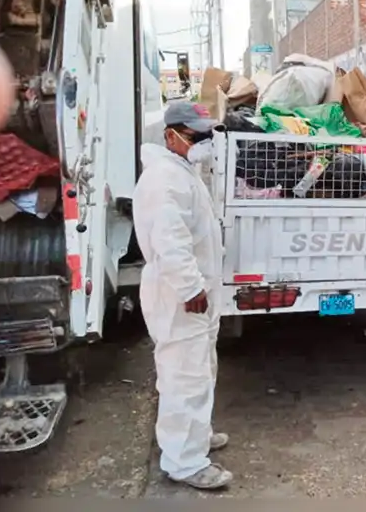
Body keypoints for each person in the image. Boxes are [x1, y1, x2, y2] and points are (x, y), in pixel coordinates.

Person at [132, 102, 231, 490]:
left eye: (207, 134)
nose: (204, 141)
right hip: (180, 295)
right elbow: (169, 240)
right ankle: (184, 462)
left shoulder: (181, 171)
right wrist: (190, 288)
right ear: (170, 135)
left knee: (200, 369)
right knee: (184, 376)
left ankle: (197, 436)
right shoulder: (163, 179)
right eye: (195, 135)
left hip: (196, 290)